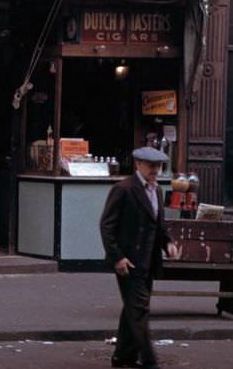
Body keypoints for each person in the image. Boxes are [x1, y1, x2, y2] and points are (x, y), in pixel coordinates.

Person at [100, 147, 178, 369]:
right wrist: (117, 257)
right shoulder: (123, 189)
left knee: (133, 310)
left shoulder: (158, 191)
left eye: (158, 166)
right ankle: (150, 361)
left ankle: (122, 357)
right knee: (139, 310)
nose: (155, 170)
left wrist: (168, 243)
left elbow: (159, 226)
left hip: (149, 261)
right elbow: (107, 226)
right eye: (151, 165)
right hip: (130, 262)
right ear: (138, 165)